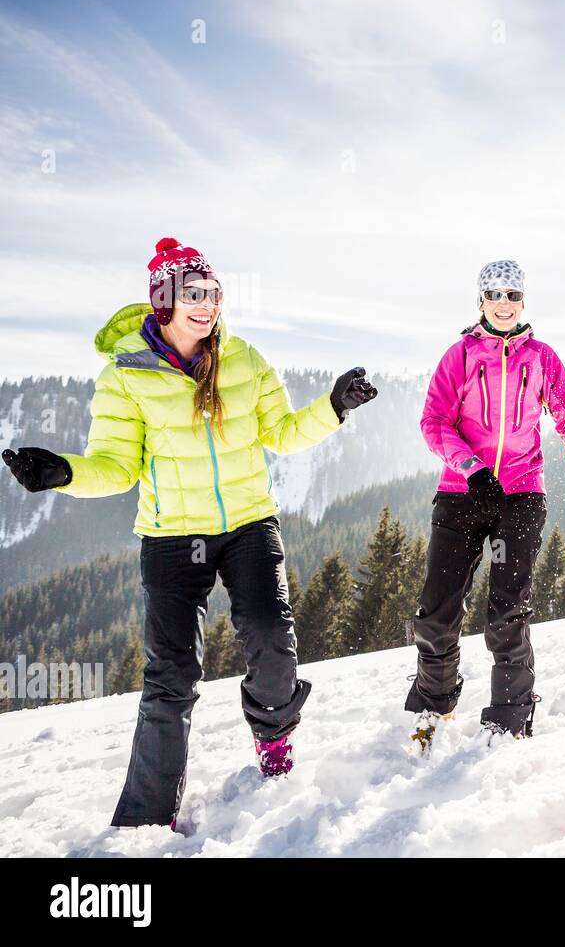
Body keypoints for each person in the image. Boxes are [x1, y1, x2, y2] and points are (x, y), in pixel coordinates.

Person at [2, 237, 377, 827]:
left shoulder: (246, 360)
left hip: (248, 523)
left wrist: (332, 407)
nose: (207, 306)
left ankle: (274, 734)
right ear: (164, 301)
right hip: (172, 537)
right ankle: (147, 819)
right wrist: (65, 472)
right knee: (170, 678)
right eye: (194, 295)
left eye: (214, 294)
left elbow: (280, 432)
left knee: (272, 636)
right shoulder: (127, 374)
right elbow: (118, 465)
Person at [406, 259, 565, 745]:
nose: (505, 303)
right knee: (437, 609)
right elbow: (434, 423)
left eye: (513, 295)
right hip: (462, 491)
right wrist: (471, 470)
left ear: (524, 301)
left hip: (521, 493)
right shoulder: (461, 356)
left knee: (507, 608)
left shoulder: (542, 357)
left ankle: (510, 714)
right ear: (481, 301)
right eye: (495, 294)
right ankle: (433, 703)